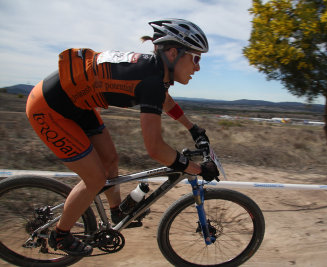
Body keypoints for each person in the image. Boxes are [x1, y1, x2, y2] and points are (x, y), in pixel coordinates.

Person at [25, 18, 219, 256]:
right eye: (196, 58)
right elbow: (155, 149)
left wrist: (193, 128)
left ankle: (117, 210)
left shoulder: (155, 71)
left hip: (76, 103)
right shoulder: (152, 80)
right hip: (48, 107)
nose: (198, 67)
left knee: (110, 160)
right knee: (95, 179)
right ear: (172, 53)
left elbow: (165, 101)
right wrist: (196, 169)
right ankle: (60, 234)